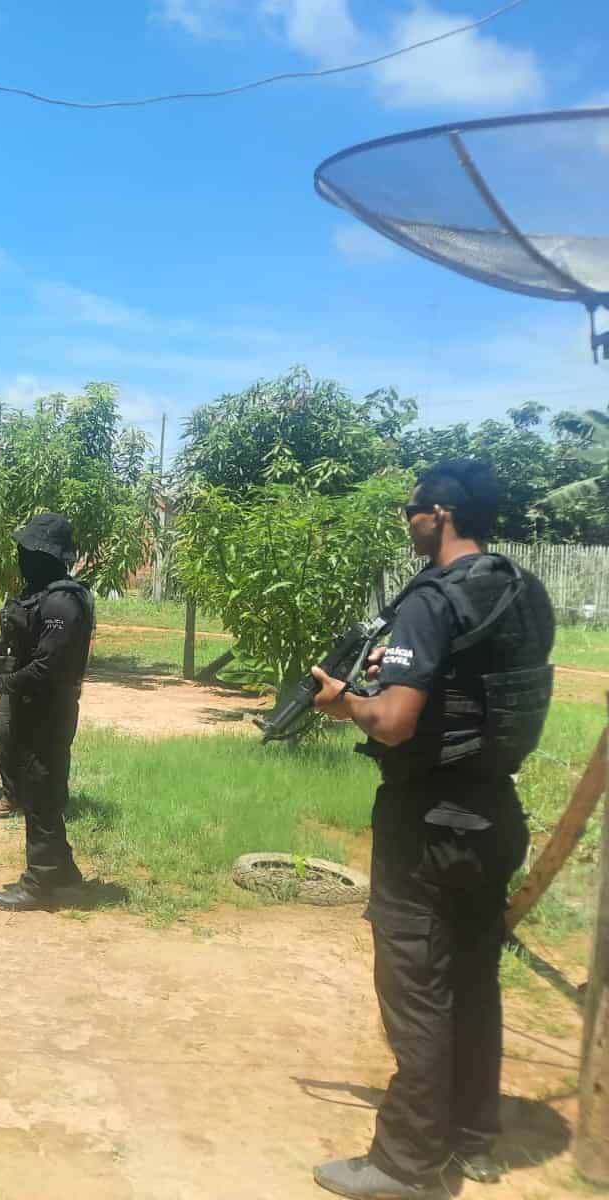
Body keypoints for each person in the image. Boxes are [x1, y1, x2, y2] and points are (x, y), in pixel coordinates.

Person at [309, 461, 554, 1199]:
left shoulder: (431, 597)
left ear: (440, 513)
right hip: (495, 813)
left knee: (417, 986)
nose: (406, 521)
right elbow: (476, 686)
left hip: (428, 819)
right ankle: (473, 1138)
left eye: (411, 510)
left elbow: (394, 723)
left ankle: (407, 1164)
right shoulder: (522, 590)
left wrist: (347, 702)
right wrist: (409, 670)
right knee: (475, 979)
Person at [0, 514, 94, 912]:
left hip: (48, 712)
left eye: (27, 552)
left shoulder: (62, 601)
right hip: (33, 709)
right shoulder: (41, 596)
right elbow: (21, 647)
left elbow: (46, 668)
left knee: (40, 792)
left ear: (45, 556)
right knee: (41, 792)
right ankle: (64, 870)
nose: (20, 558)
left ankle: (39, 882)